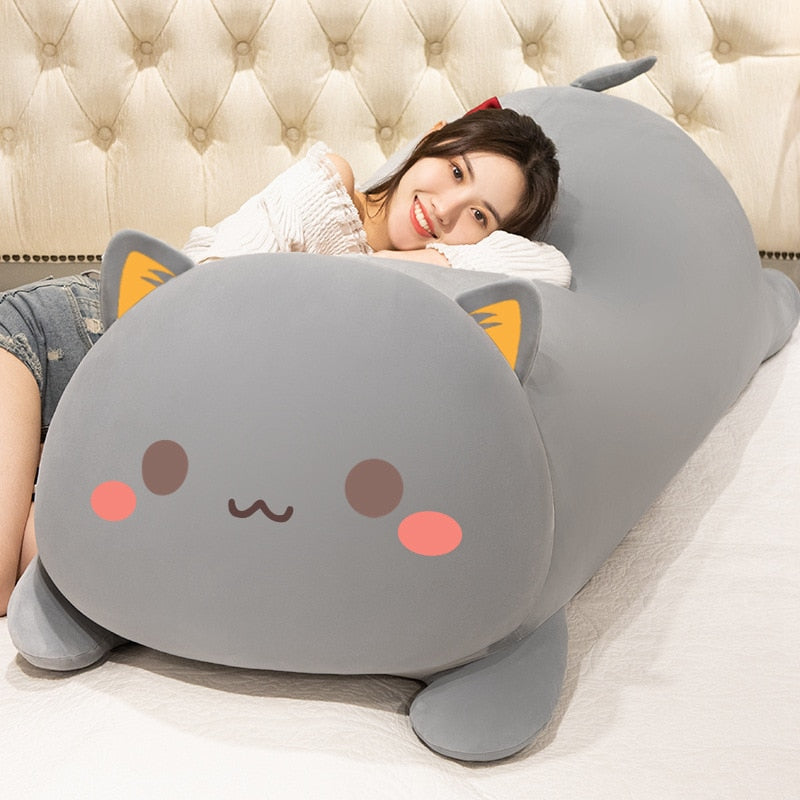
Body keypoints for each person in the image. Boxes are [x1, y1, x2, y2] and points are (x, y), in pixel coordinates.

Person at [0, 107, 571, 614]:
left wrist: (411, 263)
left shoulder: (422, 292)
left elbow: (550, 268)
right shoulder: (329, 185)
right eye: (456, 172)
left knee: (55, 581)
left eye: (479, 216)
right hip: (74, 338)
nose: (445, 209)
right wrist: (383, 269)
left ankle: (45, 465)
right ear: (432, 138)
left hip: (155, 428)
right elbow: (206, 287)